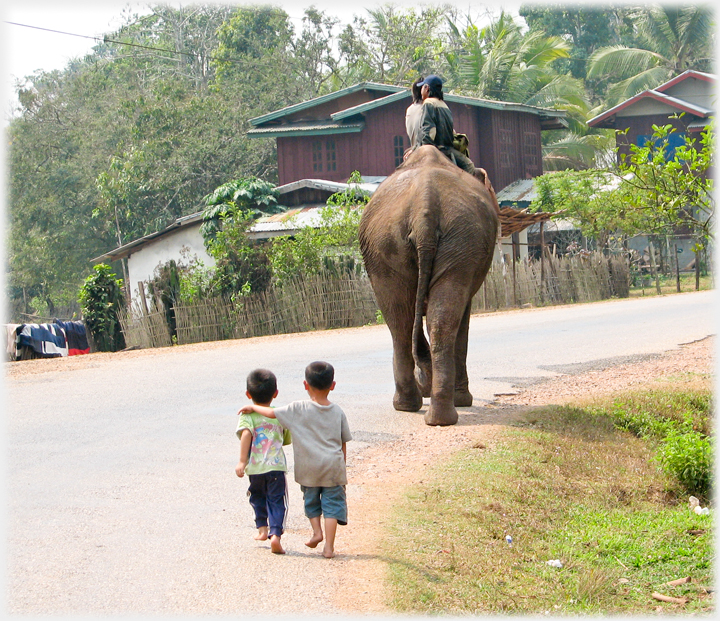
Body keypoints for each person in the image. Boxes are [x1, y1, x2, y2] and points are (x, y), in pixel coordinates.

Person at [238, 361, 352, 559]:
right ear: (332, 385)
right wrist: (342, 464)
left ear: (305, 385)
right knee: (332, 506)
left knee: (312, 502)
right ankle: (329, 548)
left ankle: (316, 532)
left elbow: (272, 413)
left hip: (308, 468)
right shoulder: (338, 411)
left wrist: (253, 408)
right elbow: (343, 442)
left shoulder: (298, 408)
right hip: (333, 467)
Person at [412, 74, 501, 216]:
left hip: (435, 150)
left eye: (422, 88)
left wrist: (421, 152)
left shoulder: (428, 103)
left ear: (427, 89)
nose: (421, 91)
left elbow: (428, 132)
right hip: (450, 151)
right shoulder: (445, 105)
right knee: (471, 169)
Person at [235, 368, 292, 555]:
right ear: (275, 394)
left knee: (257, 497)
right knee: (276, 501)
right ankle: (275, 535)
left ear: (248, 394)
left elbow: (246, 435)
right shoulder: (279, 414)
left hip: (255, 468)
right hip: (275, 467)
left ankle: (262, 529)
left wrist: (242, 462)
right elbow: (286, 439)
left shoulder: (247, 415)